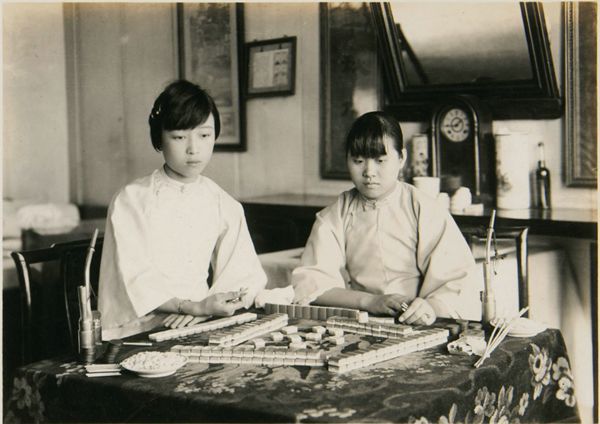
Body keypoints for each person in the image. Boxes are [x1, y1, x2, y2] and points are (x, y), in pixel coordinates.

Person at [98, 80, 267, 339]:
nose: (193, 149)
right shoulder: (131, 199)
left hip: (200, 323)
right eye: (178, 137)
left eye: (204, 135)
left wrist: (208, 306)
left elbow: (244, 273)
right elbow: (134, 276)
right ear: (159, 138)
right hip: (138, 329)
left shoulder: (224, 203)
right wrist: (191, 306)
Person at [291, 111, 481, 325]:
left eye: (380, 160)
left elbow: (457, 281)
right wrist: (371, 301)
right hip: (361, 319)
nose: (369, 172)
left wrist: (430, 307)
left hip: (419, 322)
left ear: (401, 158)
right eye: (358, 160)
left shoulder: (424, 208)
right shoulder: (337, 213)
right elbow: (312, 284)